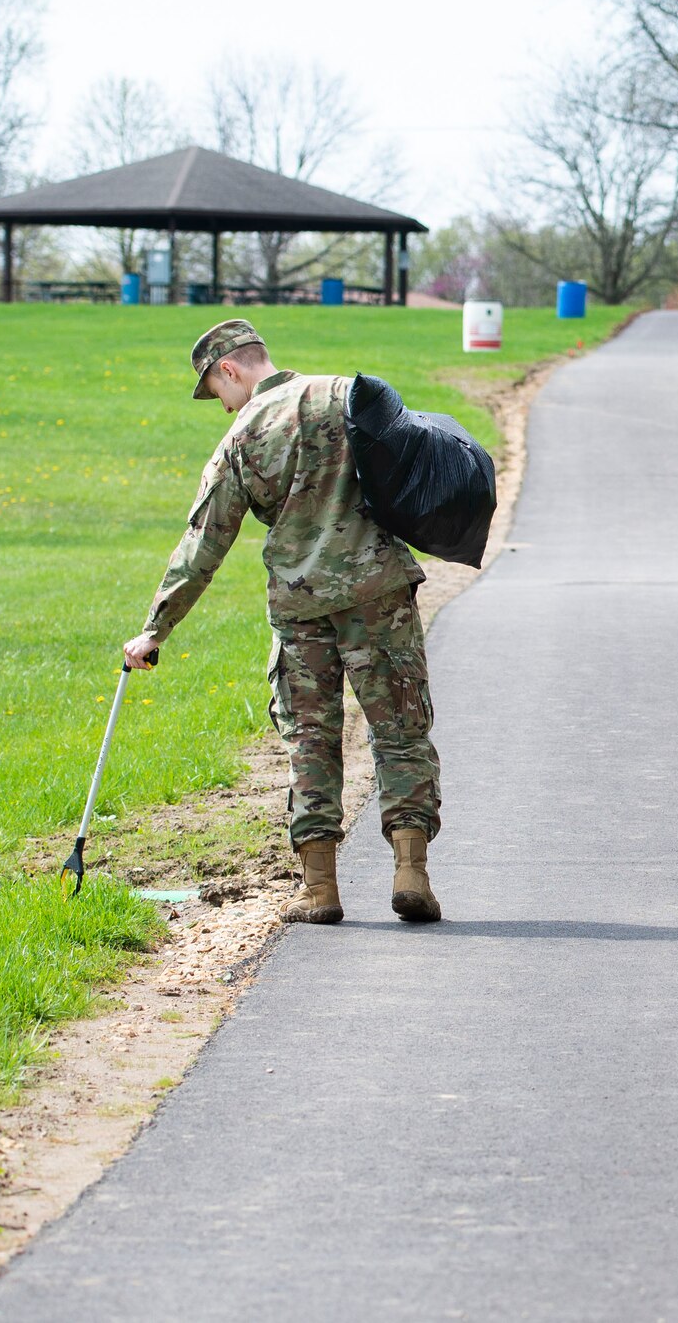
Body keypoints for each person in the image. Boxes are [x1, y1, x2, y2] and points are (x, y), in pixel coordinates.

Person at [121, 319, 444, 926]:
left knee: (310, 740)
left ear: (230, 369)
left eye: (217, 391)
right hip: (379, 592)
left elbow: (203, 544)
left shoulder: (241, 438)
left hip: (300, 609)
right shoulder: (348, 395)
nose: (222, 404)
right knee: (400, 728)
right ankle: (410, 873)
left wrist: (155, 629)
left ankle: (320, 891)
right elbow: (418, 461)